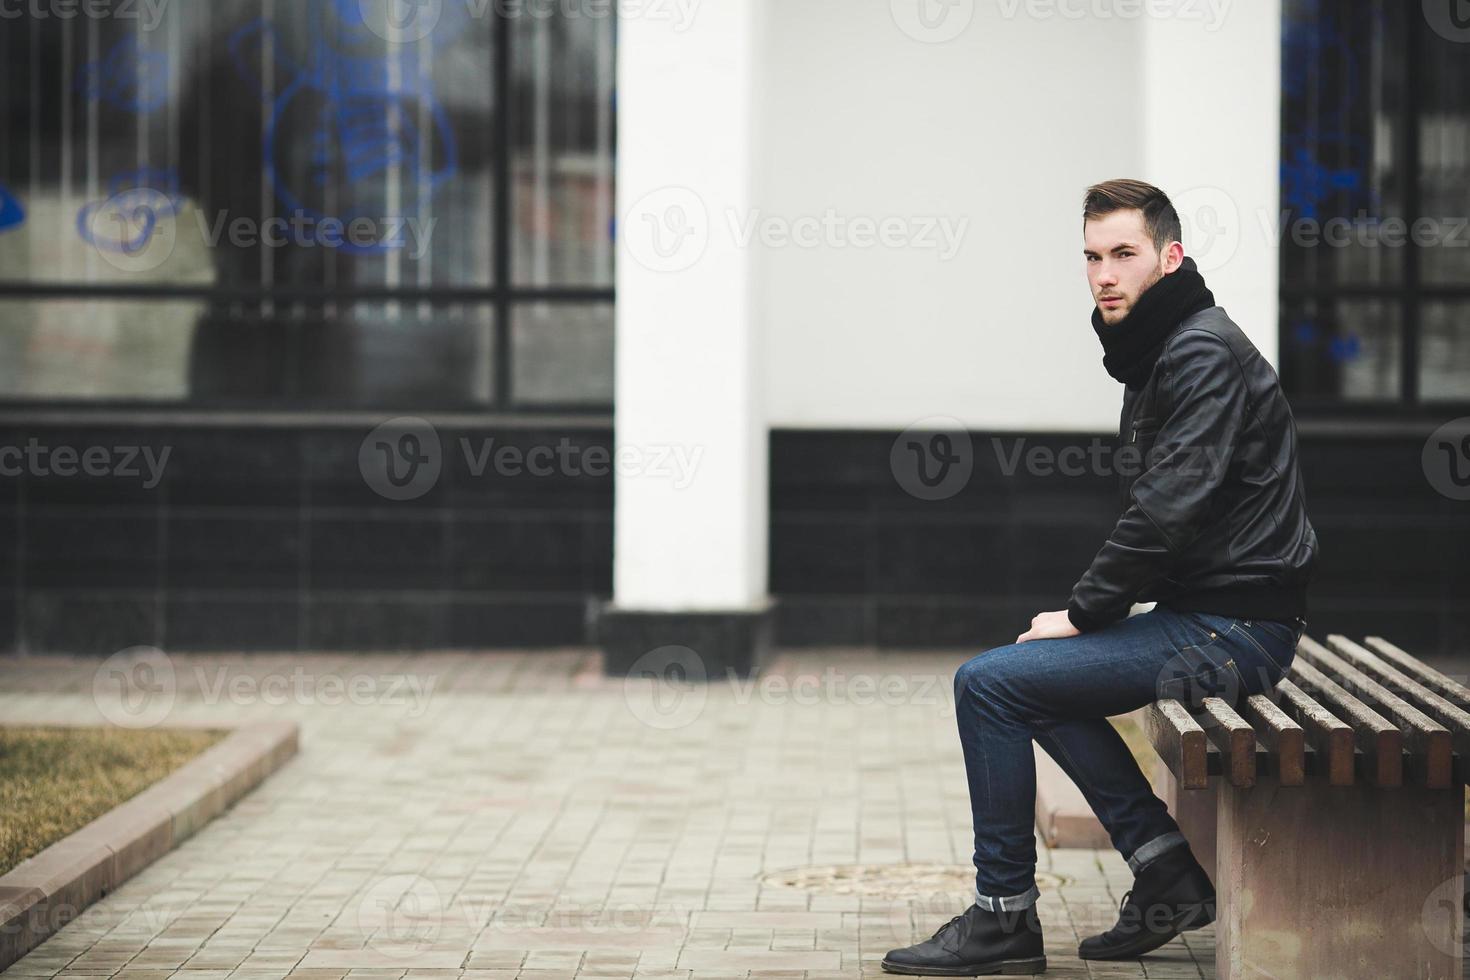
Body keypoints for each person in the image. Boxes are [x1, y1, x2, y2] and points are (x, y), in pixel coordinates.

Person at [881, 179, 1319, 976]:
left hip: (1237, 630)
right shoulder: (1166, 348)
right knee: (1024, 678)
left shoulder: (1200, 351)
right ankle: (1166, 870)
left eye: (1124, 254)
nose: (1105, 273)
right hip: (1212, 615)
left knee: (992, 684)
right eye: (1092, 256)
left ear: (1169, 257)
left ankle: (1003, 919)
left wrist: (1084, 613)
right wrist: (1085, 617)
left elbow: (1166, 509)